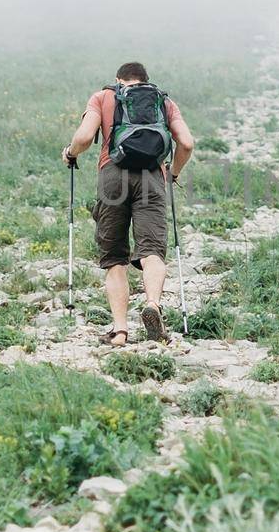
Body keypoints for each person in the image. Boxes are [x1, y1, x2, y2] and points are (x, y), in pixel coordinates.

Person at [63, 61, 194, 345]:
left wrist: (70, 153)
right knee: (152, 250)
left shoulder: (103, 97)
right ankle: (152, 305)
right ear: (146, 81)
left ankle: (120, 331)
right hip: (152, 177)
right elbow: (186, 143)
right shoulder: (164, 102)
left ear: (118, 80)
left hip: (112, 176)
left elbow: (85, 137)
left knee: (115, 257)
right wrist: (172, 174)